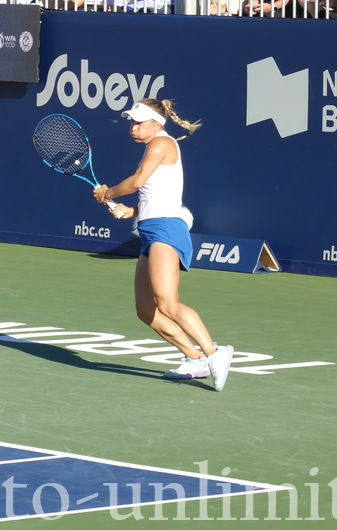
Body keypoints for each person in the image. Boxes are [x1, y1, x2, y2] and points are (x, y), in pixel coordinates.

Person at [92, 99, 234, 391]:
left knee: (167, 302)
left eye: (139, 122)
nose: (133, 127)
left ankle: (214, 352)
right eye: (131, 122)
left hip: (167, 230)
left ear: (157, 124)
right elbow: (153, 195)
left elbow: (137, 181)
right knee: (146, 310)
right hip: (152, 228)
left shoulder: (161, 143)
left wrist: (107, 193)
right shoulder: (154, 147)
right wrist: (129, 211)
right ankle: (194, 358)